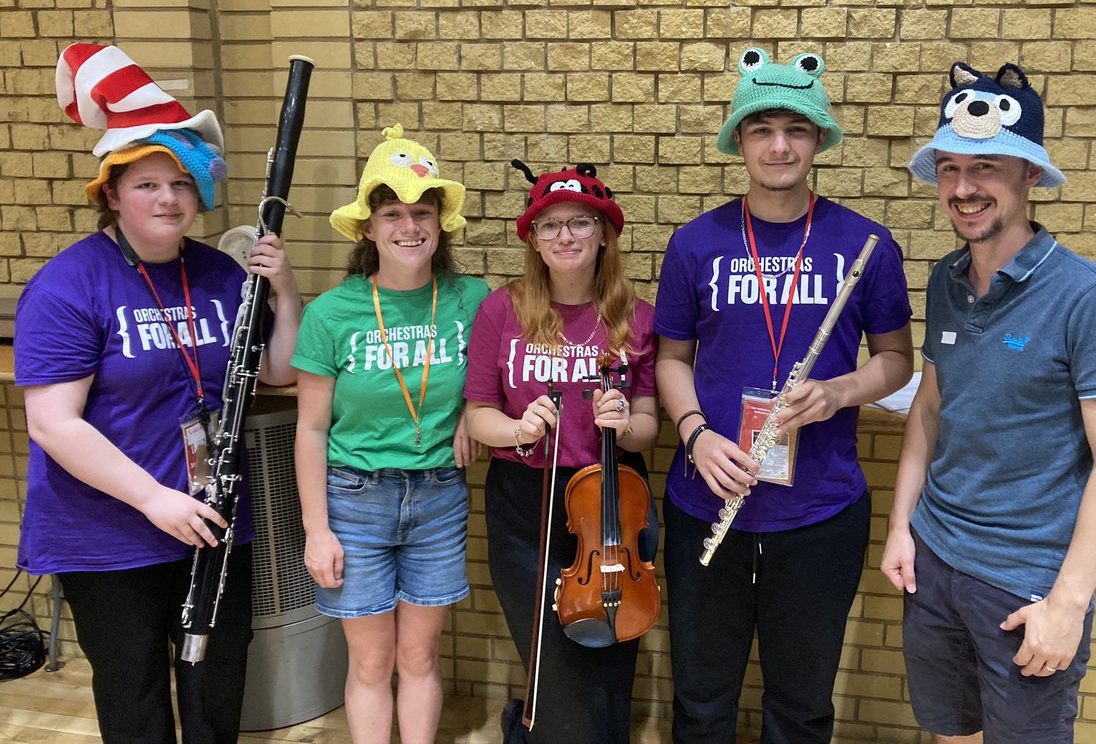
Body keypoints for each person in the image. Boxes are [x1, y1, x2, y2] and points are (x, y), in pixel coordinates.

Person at [15, 42, 302, 743]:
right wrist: (153, 498)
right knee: (134, 693)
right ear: (111, 194)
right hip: (109, 534)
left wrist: (285, 288)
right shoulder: (68, 285)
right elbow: (54, 424)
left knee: (215, 687)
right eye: (145, 185)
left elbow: (279, 373)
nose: (167, 198)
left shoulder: (217, 273)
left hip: (211, 517)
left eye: (178, 183)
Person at [880, 62, 1096, 743]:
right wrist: (902, 526)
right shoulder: (945, 278)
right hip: (935, 563)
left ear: (1030, 176)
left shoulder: (1089, 297)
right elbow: (931, 411)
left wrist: (1068, 602)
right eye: (948, 169)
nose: (963, 189)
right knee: (952, 733)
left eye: (986, 168)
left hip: (1025, 582)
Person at [655, 48, 914, 743]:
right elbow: (671, 358)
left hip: (821, 512)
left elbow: (895, 362)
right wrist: (696, 433)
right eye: (761, 127)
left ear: (819, 139)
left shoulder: (866, 243)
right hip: (706, 499)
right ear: (738, 140)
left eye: (796, 129)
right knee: (702, 702)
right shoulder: (693, 243)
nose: (779, 145)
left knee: (801, 708)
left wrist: (838, 392)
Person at [292, 125, 489, 744]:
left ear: (440, 223)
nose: (409, 226)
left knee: (419, 660)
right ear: (369, 228)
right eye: (392, 213)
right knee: (372, 663)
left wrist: (469, 412)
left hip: (437, 498)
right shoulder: (331, 313)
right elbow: (310, 429)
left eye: (422, 212)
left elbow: (495, 379)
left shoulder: (473, 299)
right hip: (353, 500)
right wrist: (316, 530)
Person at [463, 161, 659, 744]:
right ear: (533, 239)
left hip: (614, 503)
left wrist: (624, 425)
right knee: (549, 653)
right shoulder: (502, 310)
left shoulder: (637, 317)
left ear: (604, 234)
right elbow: (477, 415)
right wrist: (520, 428)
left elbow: (649, 426)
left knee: (610, 645)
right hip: (527, 501)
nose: (565, 236)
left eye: (580, 223)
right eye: (549, 226)